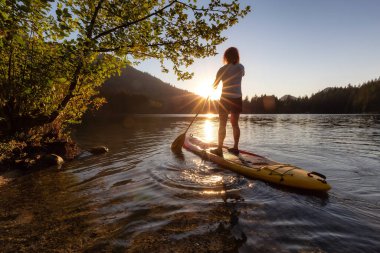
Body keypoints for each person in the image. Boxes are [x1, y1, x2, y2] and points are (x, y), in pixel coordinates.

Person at [211, 47, 244, 157]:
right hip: (237, 99)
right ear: (237, 56)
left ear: (225, 57)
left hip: (225, 99)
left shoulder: (222, 69)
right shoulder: (241, 67)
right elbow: (241, 75)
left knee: (222, 124)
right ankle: (235, 148)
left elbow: (215, 85)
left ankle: (219, 149)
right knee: (235, 124)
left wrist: (213, 86)